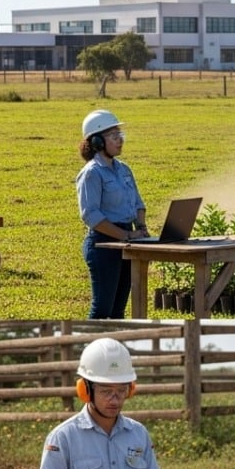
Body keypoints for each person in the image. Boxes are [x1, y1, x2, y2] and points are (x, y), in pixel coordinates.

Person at [36, 338, 165, 469]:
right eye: (106, 391)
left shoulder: (139, 434)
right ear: (85, 390)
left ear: (130, 390)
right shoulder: (63, 437)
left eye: (121, 391)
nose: (115, 400)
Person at [76, 110, 148, 319]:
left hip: (127, 242)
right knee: (102, 311)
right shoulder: (91, 173)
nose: (120, 141)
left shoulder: (124, 169)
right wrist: (125, 235)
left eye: (121, 136)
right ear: (97, 141)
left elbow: (138, 204)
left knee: (118, 311)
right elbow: (90, 215)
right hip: (103, 245)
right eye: (114, 137)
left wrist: (141, 228)